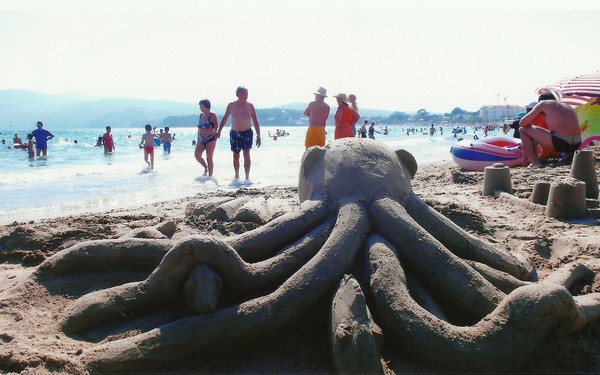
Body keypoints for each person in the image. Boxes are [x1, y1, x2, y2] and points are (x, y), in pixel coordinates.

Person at [519, 92, 581, 168]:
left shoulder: (543, 104)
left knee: (522, 130)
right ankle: (569, 157)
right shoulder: (567, 106)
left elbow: (522, 123)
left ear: (539, 102)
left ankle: (535, 163)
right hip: (577, 144)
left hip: (561, 143)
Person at [217, 86, 261, 181]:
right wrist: (219, 131)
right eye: (243, 94)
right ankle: (236, 176)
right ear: (237, 94)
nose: (245, 96)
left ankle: (247, 177)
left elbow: (256, 122)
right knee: (236, 155)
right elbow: (224, 119)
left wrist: (259, 136)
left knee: (246, 153)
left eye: (247, 94)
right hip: (234, 133)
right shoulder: (231, 105)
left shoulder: (250, 106)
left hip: (247, 132)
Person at [195, 99, 219, 176]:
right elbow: (199, 128)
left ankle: (210, 176)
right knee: (197, 155)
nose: (200, 108)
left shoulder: (212, 115)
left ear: (206, 106)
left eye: (201, 106)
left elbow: (216, 127)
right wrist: (198, 137)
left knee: (209, 158)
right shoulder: (201, 115)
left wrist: (216, 136)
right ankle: (206, 167)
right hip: (201, 138)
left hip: (210, 138)